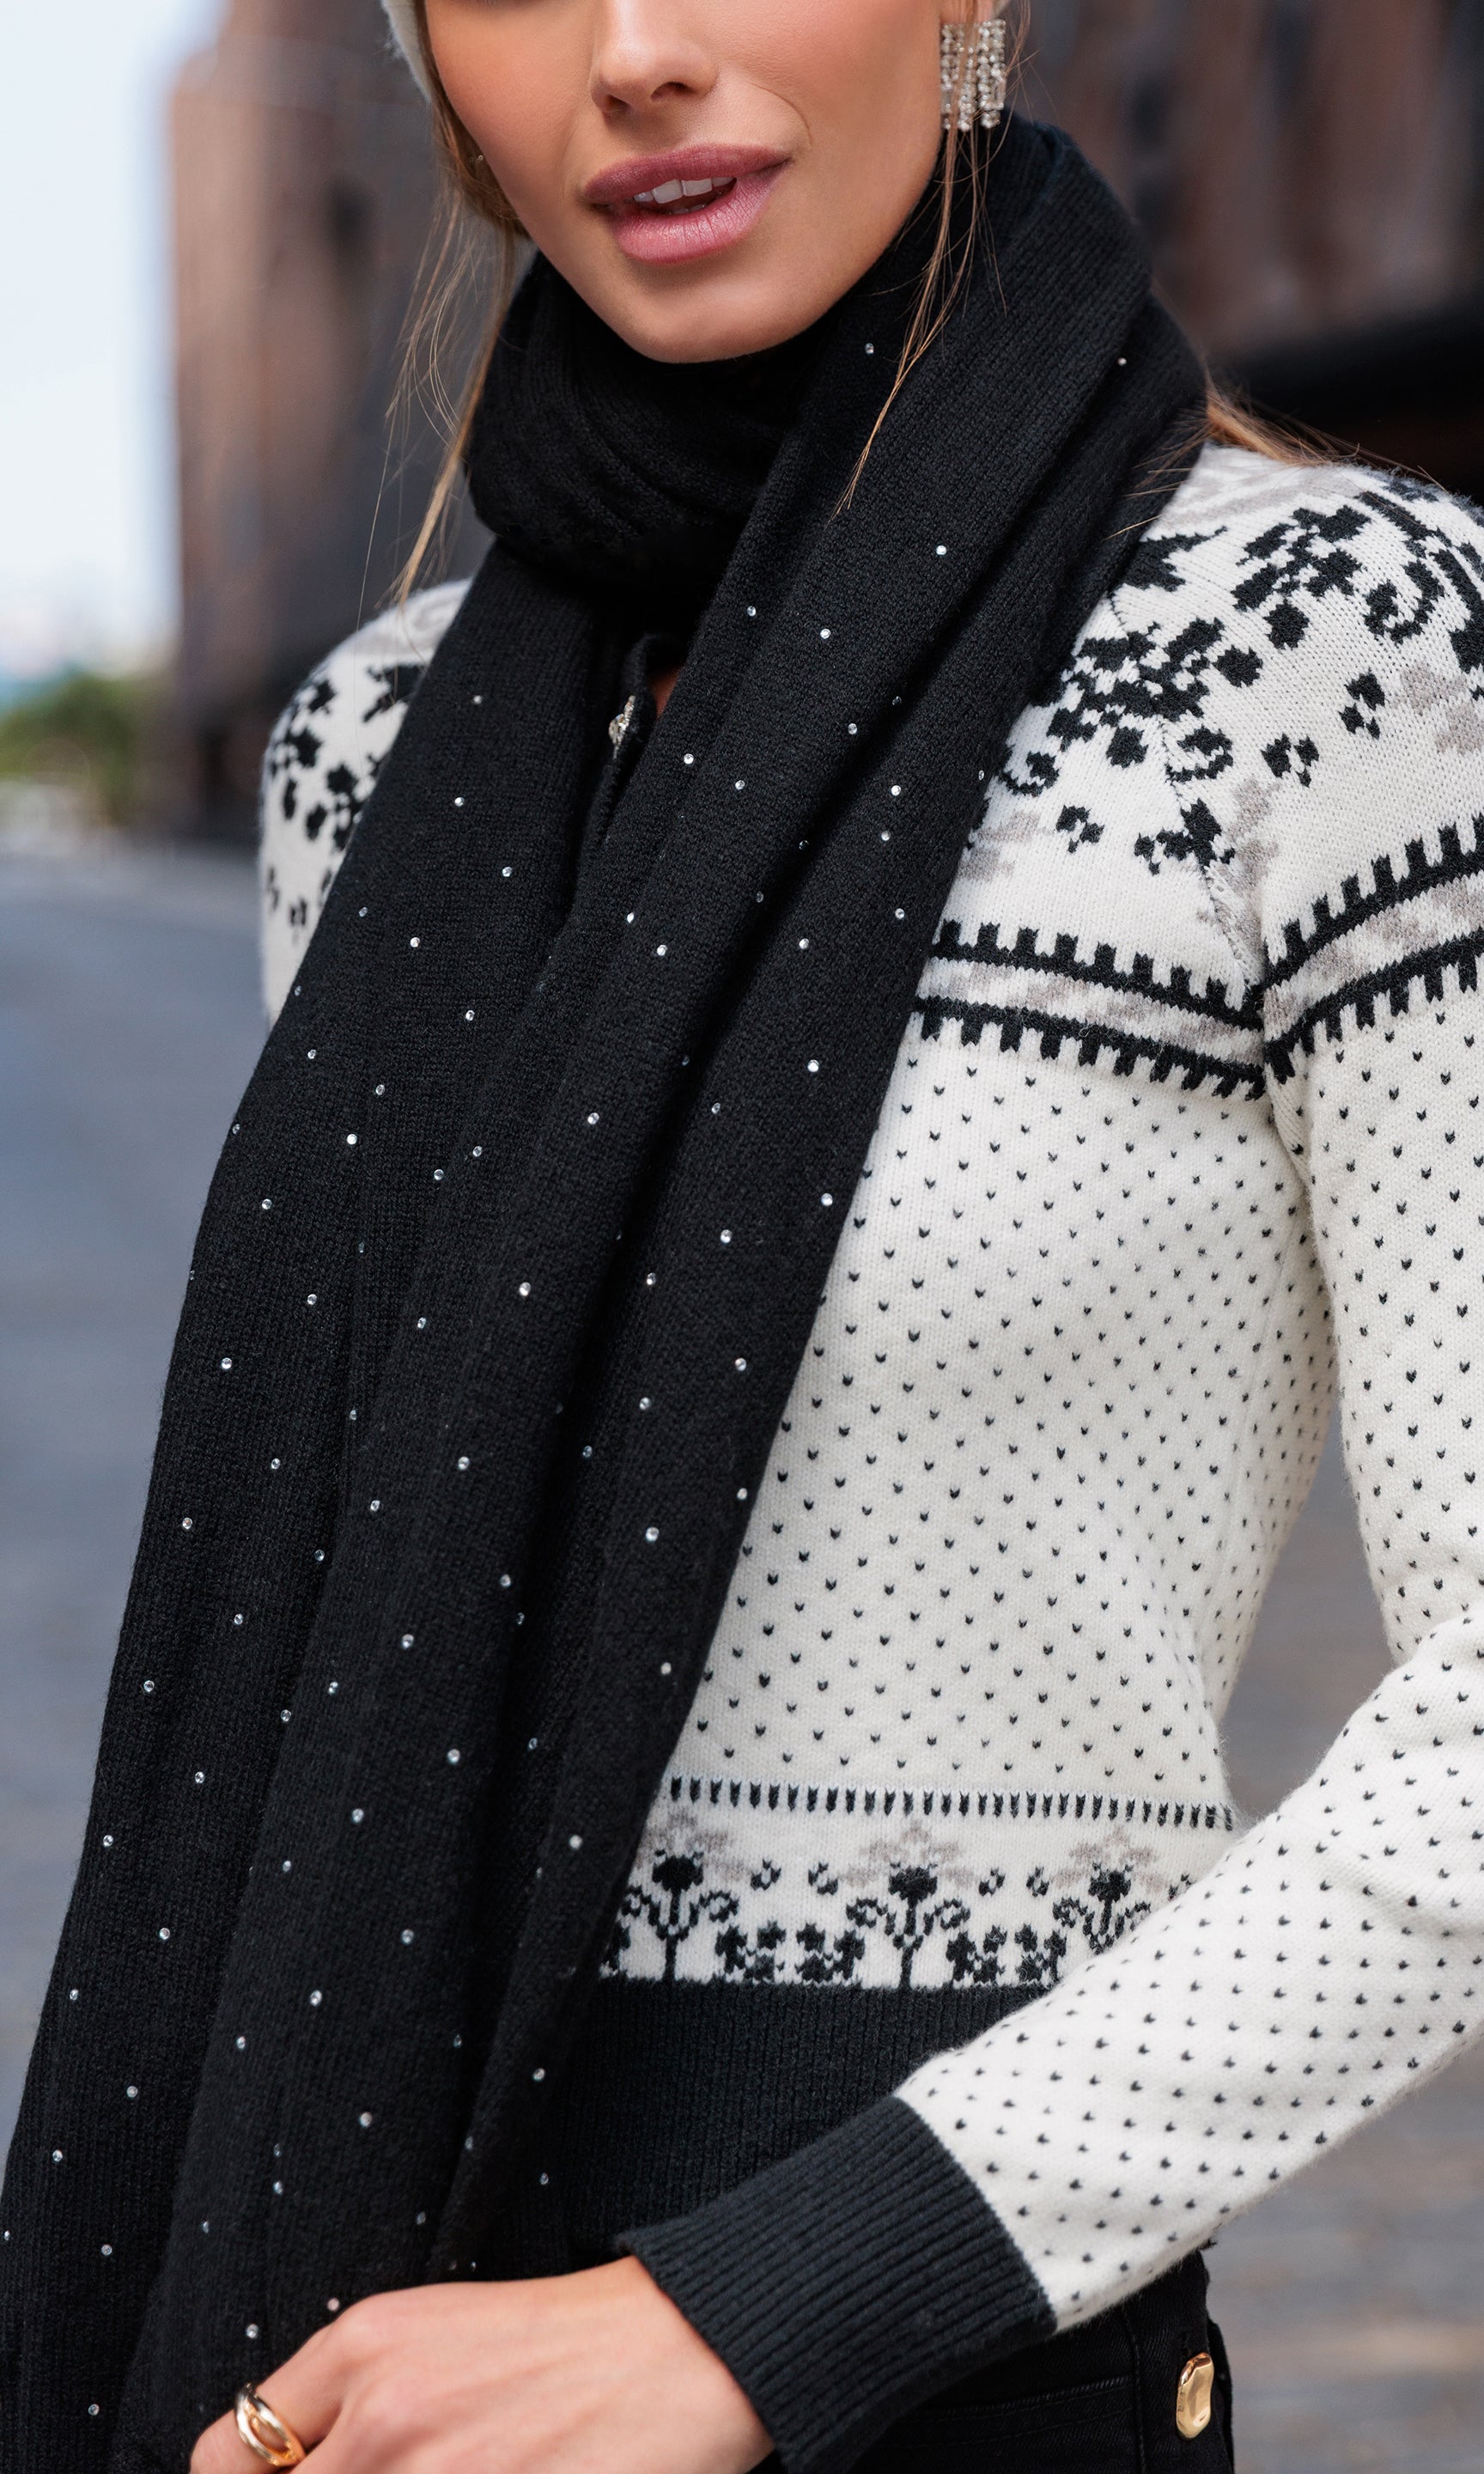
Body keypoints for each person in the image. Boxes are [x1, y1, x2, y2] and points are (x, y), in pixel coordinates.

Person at [5, 3, 1483, 2468]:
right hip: (352, 2373)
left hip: (955, 2382)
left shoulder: (1337, 645)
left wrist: (742, 2317)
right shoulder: (375, 755)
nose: (637, 54)